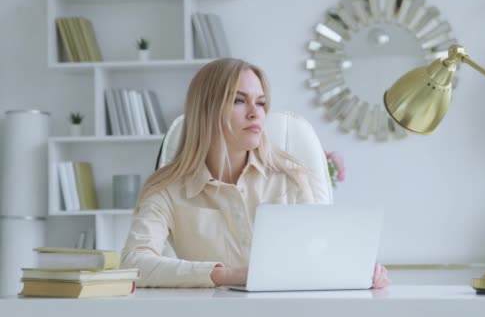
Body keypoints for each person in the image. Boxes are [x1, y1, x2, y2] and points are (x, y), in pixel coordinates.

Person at [120, 58, 390, 289]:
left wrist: (358, 272)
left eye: (260, 103)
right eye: (239, 101)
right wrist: (226, 275)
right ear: (206, 110)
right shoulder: (166, 188)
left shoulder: (292, 178)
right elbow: (134, 264)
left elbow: (319, 257)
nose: (255, 114)